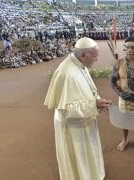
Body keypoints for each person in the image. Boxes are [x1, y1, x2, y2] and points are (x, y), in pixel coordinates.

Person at [44, 37, 111, 180]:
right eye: (94, 57)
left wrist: (98, 102)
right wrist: (94, 105)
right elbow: (66, 109)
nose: (96, 60)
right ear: (83, 55)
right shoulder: (66, 73)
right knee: (79, 161)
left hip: (85, 121)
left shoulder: (79, 65)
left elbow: (88, 89)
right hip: (73, 128)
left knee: (88, 156)